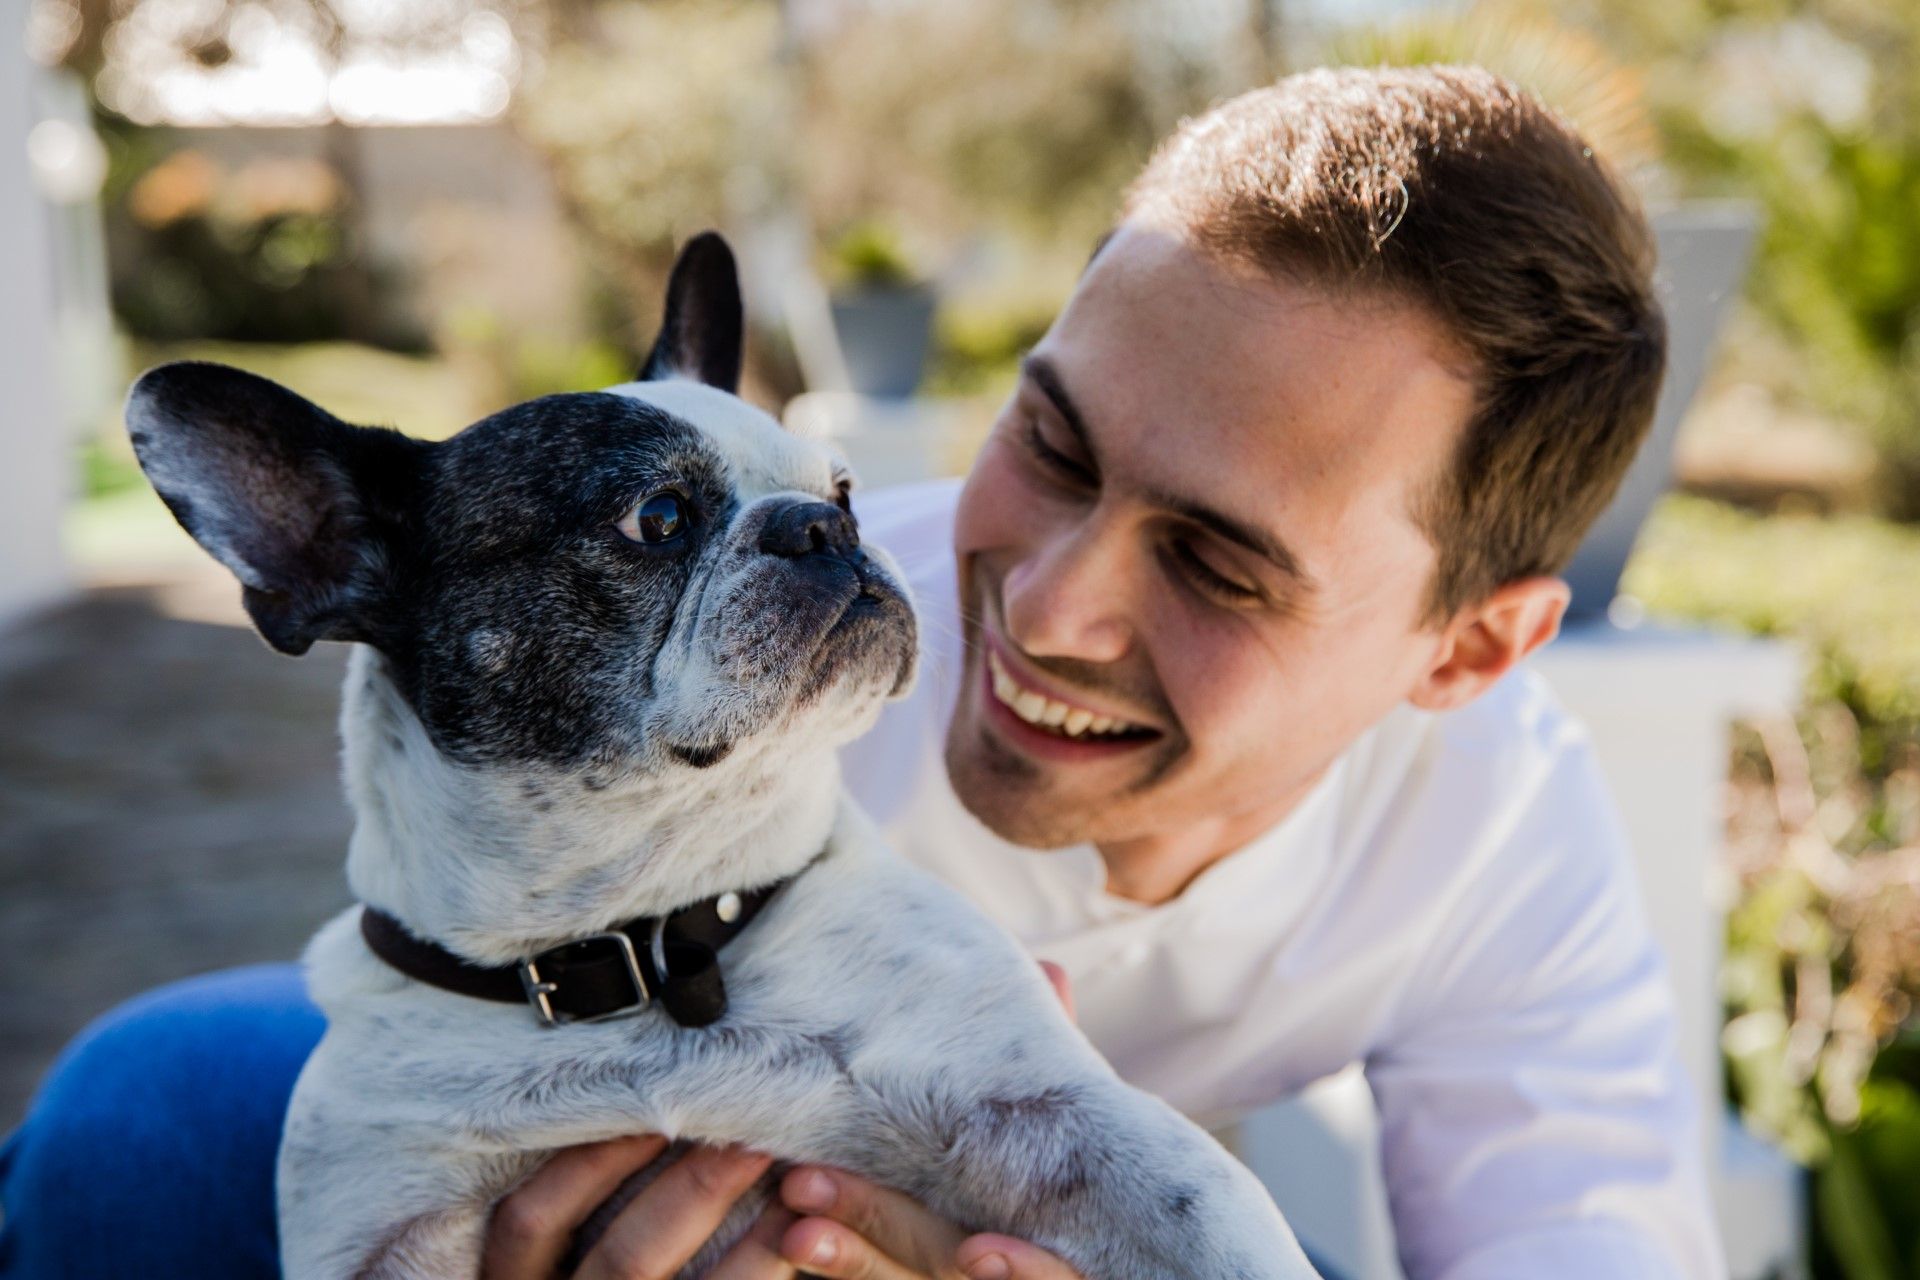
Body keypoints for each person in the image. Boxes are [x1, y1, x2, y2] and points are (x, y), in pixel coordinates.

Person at [0, 65, 1722, 1280]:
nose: (1043, 605)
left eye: (1218, 562)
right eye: (1048, 442)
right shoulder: (798, 595)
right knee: (152, 1116)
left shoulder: (1505, 852)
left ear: (1469, 646)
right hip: (560, 1101)